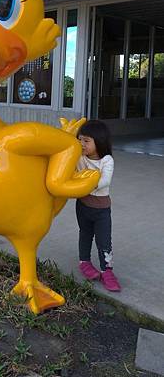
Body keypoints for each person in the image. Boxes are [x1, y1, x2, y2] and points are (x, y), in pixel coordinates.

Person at [76, 120, 121, 292]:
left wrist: (83, 183)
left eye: (86, 141)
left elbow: (104, 181)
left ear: (99, 141)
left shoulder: (106, 160)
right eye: (80, 140)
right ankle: (84, 262)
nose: (82, 144)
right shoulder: (79, 158)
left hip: (101, 209)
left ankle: (107, 271)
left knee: (104, 241)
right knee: (85, 234)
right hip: (82, 205)